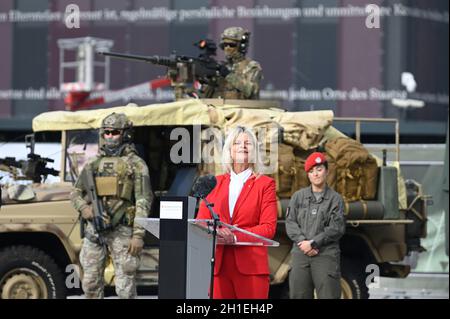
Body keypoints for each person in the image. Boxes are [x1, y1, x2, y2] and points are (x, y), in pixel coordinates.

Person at [70, 112, 153, 299]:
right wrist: (85, 209)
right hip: (95, 230)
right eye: (106, 132)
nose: (109, 136)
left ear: (125, 134)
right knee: (90, 283)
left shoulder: (136, 165)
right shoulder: (93, 164)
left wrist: (138, 235)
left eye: (114, 132)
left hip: (122, 230)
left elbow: (143, 200)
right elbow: (75, 193)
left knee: (125, 287)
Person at [196, 126, 277, 299]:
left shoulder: (265, 184)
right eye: (237, 143)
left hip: (251, 268)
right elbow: (201, 222)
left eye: (248, 143)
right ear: (229, 151)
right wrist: (216, 232)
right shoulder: (214, 183)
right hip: (218, 267)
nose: (243, 146)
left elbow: (268, 228)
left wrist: (235, 237)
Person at [285, 152, 346, 299]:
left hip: (325, 254)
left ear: (326, 171)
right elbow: (290, 222)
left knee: (328, 295)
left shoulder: (335, 199)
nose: (316, 174)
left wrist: (313, 243)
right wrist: (303, 243)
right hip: (301, 253)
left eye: (319, 169)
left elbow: (336, 228)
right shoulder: (298, 197)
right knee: (299, 295)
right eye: (311, 171)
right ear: (308, 175)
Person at [200, 26, 263, 99]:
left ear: (241, 46)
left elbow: (250, 91)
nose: (227, 48)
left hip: (243, 109)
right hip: (221, 109)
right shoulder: (221, 67)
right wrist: (209, 80)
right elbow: (204, 98)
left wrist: (228, 75)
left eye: (232, 45)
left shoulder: (252, 66)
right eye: (225, 45)